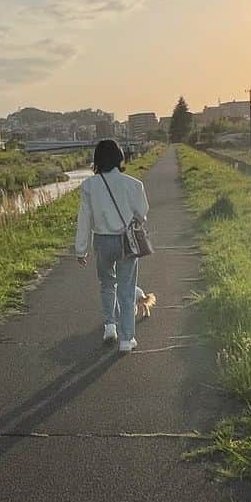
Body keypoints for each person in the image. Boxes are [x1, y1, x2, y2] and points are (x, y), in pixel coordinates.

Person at [75, 139, 149, 353]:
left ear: (97, 160)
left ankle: (110, 327)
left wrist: (81, 249)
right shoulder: (134, 184)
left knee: (107, 284)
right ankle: (127, 340)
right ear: (120, 157)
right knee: (127, 289)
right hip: (127, 240)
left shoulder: (89, 185)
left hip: (102, 240)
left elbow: (84, 218)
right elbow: (142, 213)